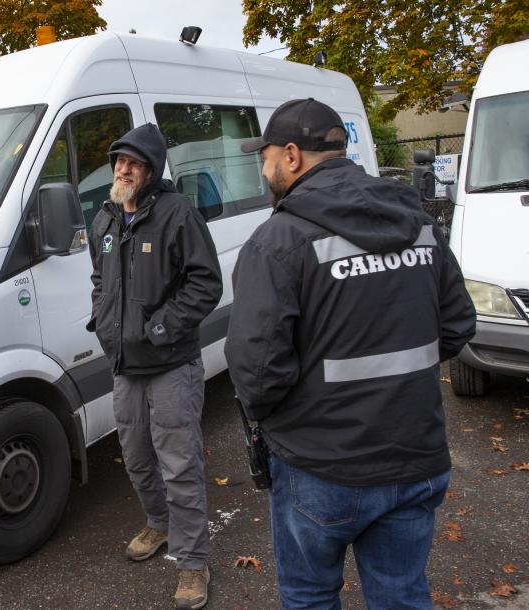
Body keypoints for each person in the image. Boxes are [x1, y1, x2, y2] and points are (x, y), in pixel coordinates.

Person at [225, 98, 476, 609]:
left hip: (321, 467)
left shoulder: (278, 240)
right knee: (401, 595)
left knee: (310, 596)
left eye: (266, 154)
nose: (263, 165)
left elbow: (255, 372)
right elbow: (456, 327)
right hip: (414, 455)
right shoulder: (419, 222)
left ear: (291, 156)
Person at [87, 123, 223, 610]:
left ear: (151, 171)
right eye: (119, 161)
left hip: (170, 364)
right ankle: (160, 523)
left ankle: (192, 563)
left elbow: (206, 284)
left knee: (179, 463)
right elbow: (100, 279)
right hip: (125, 365)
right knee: (137, 455)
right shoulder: (104, 217)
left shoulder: (177, 214)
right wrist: (105, 323)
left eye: (135, 163)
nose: (124, 169)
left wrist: (160, 328)